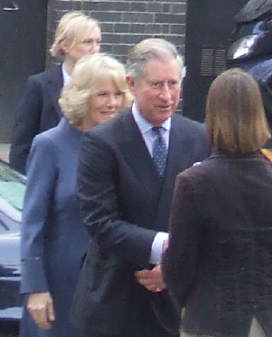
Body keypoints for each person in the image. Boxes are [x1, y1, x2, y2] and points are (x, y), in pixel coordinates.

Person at [162, 68, 272, 337]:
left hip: (210, 318)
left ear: (212, 115)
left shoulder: (193, 181)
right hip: (269, 319)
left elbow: (179, 266)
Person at [70, 38, 210, 337]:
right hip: (116, 303)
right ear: (132, 84)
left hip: (176, 307)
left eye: (174, 84)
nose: (167, 95)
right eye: (157, 85)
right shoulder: (103, 142)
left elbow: (212, 216)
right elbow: (100, 222)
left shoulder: (199, 137)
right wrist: (166, 249)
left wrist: (175, 267)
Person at [20, 53, 131, 337]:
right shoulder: (49, 145)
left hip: (113, 288)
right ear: (81, 96)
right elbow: (33, 225)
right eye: (103, 94)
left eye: (118, 94)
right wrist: (36, 288)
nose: (112, 103)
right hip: (60, 289)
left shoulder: (124, 145)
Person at [9, 11, 101, 174]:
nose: (95, 49)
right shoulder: (40, 85)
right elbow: (21, 146)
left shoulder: (105, 87)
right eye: (87, 42)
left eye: (98, 42)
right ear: (65, 45)